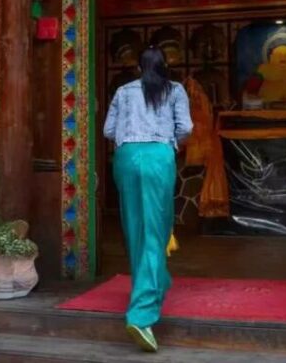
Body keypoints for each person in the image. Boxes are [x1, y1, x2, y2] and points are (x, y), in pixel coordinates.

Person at [103, 46, 193, 352]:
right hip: (157, 157)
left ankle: (158, 280)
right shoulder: (175, 90)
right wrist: (169, 143)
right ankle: (142, 315)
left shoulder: (123, 91)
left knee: (135, 229)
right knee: (155, 232)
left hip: (126, 157)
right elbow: (186, 127)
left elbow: (108, 130)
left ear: (139, 67)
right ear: (165, 65)